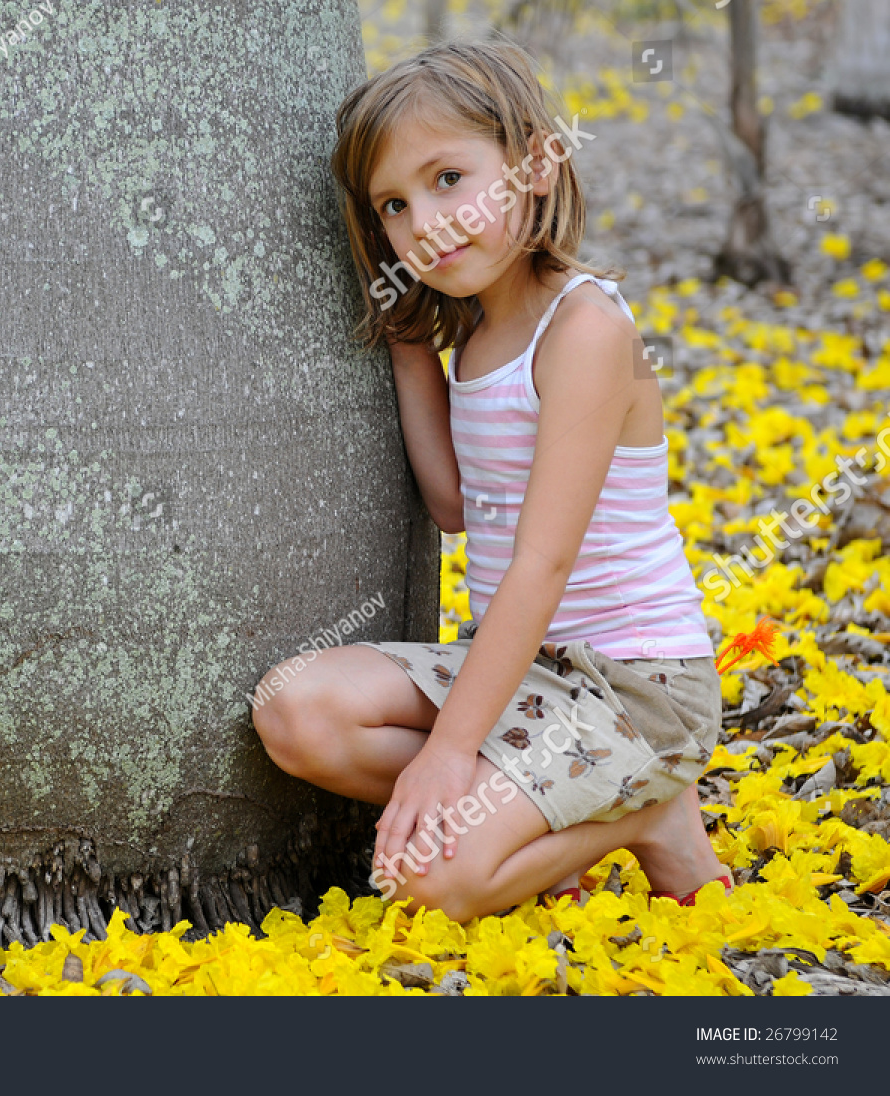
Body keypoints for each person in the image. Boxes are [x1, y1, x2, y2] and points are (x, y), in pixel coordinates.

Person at [250, 38, 730, 922]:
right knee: (294, 712)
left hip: (636, 689)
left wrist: (450, 755)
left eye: (447, 179)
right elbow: (455, 507)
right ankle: (549, 795)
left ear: (534, 166)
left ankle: (651, 811)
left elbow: (541, 567)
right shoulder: (474, 339)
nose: (423, 222)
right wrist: (404, 337)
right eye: (393, 205)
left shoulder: (584, 333)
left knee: (426, 881)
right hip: (522, 673)